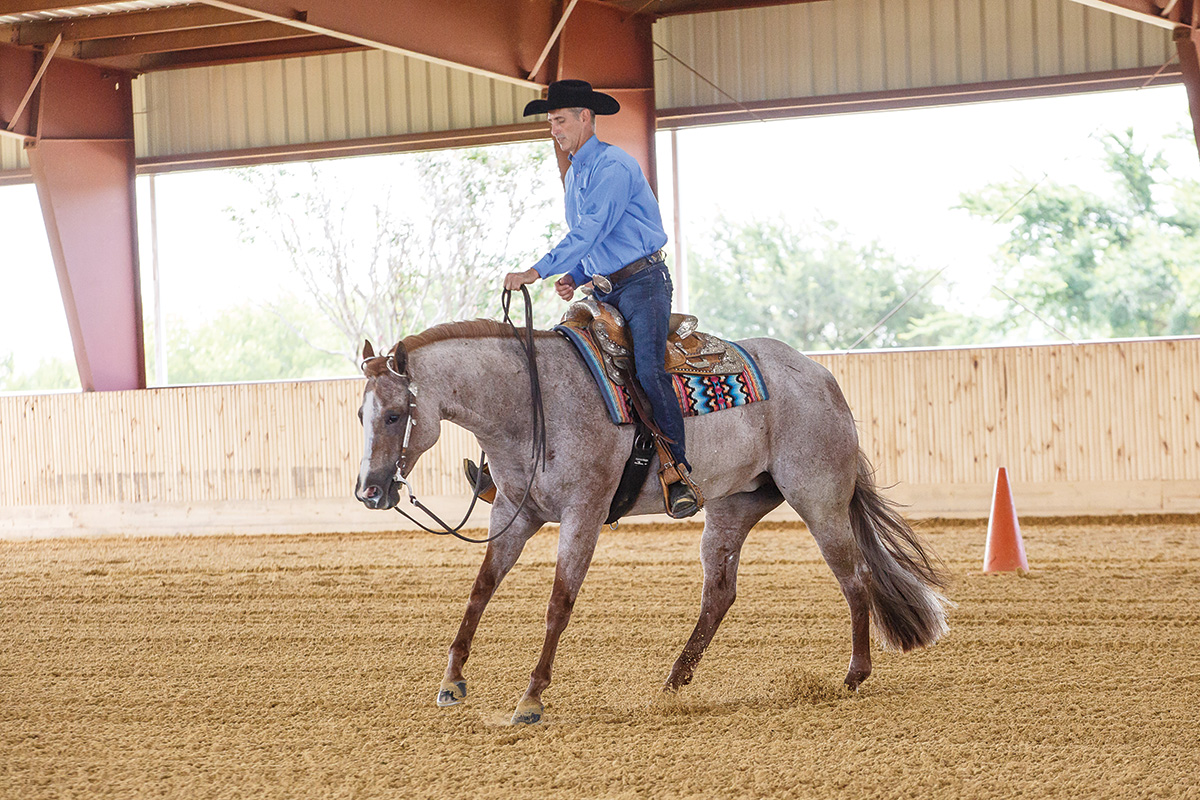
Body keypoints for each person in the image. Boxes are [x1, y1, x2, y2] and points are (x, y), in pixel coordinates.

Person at [504, 79, 700, 518]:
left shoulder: (613, 166)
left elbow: (590, 229)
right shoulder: (576, 172)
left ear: (585, 118)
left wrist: (538, 270)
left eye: (559, 120)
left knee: (649, 367)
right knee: (562, 361)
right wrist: (575, 274)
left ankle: (677, 470)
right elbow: (597, 240)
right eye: (550, 123)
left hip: (643, 283)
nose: (554, 129)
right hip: (604, 287)